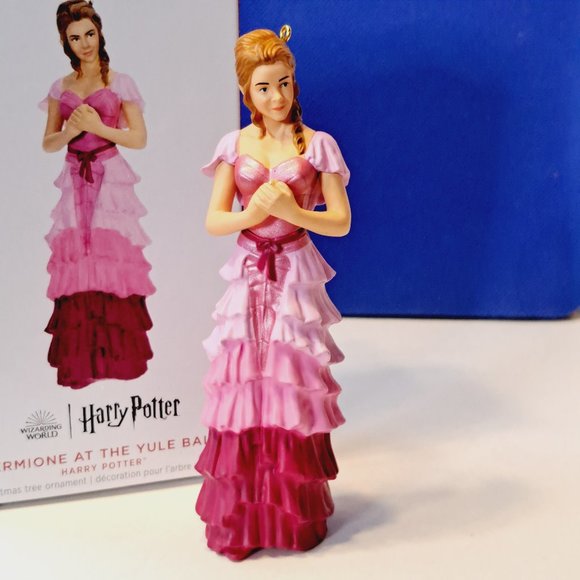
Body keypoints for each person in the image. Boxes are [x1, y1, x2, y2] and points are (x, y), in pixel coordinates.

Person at [196, 25, 351, 560]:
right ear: (247, 91)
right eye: (264, 87)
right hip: (247, 273)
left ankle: (290, 516)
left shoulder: (319, 145)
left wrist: (292, 212)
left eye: (283, 83)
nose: (277, 96)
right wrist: (253, 215)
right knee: (242, 383)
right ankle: (242, 519)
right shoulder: (234, 144)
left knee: (290, 382)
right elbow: (215, 220)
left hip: (294, 276)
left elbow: (341, 221)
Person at [40, 0, 155, 388]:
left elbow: (138, 138)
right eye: (75, 38)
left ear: (100, 32)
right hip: (74, 178)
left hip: (110, 178)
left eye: (89, 34)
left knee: (111, 259)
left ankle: (118, 361)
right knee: (78, 262)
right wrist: (72, 132)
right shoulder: (61, 87)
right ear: (66, 43)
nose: (85, 44)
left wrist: (98, 128)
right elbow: (48, 143)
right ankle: (82, 362)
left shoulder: (120, 82)